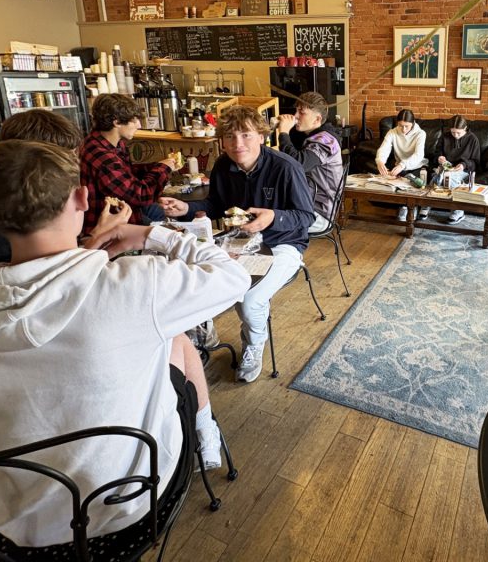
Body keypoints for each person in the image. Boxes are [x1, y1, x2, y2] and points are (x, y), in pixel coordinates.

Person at [0, 140, 251, 548]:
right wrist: (148, 233)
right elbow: (233, 276)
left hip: (22, 520)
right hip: (132, 505)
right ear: (83, 197)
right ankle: (205, 434)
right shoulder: (138, 285)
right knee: (166, 337)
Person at [159, 106, 314, 383]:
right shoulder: (222, 165)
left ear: (262, 137)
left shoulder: (285, 167)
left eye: (246, 135)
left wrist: (273, 217)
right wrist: (185, 207)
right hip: (238, 241)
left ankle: (254, 345)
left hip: (283, 244)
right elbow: (216, 206)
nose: (237, 144)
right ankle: (203, 328)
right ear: (222, 140)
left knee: (250, 298)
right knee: (190, 274)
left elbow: (306, 217)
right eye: (230, 137)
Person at [0, 109, 133, 280]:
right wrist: (97, 238)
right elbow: (39, 276)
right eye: (64, 157)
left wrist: (95, 234)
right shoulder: (1, 199)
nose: (72, 163)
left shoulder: (19, 190)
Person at [80, 93, 175, 233]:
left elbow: (125, 173)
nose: (139, 125)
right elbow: (141, 195)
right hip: (108, 230)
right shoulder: (101, 155)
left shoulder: (111, 143)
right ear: (117, 122)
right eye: (134, 120)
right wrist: (163, 168)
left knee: (158, 213)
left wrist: (157, 165)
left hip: (125, 215)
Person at [276, 92, 343, 234]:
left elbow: (298, 163)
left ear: (317, 119)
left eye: (302, 112)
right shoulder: (316, 136)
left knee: (267, 221)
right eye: (296, 111)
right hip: (308, 205)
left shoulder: (325, 141)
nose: (295, 116)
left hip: (318, 213)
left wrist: (283, 133)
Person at [375, 108, 427, 222]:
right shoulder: (392, 132)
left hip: (416, 166)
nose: (403, 129)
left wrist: (403, 165)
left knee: (414, 182)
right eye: (401, 125)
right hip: (400, 166)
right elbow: (384, 148)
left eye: (406, 126)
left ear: (413, 123)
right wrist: (379, 160)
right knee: (393, 182)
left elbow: (418, 155)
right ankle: (403, 206)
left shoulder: (421, 134)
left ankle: (414, 208)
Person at [435, 114, 481, 224]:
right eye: (453, 132)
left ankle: (458, 211)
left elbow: (476, 161)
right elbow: (437, 153)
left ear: (465, 128)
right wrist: (440, 158)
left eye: (458, 133)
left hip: (464, 169)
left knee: (450, 178)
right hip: (446, 166)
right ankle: (426, 205)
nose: (455, 135)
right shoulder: (445, 136)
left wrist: (464, 165)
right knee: (437, 177)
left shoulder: (473, 139)